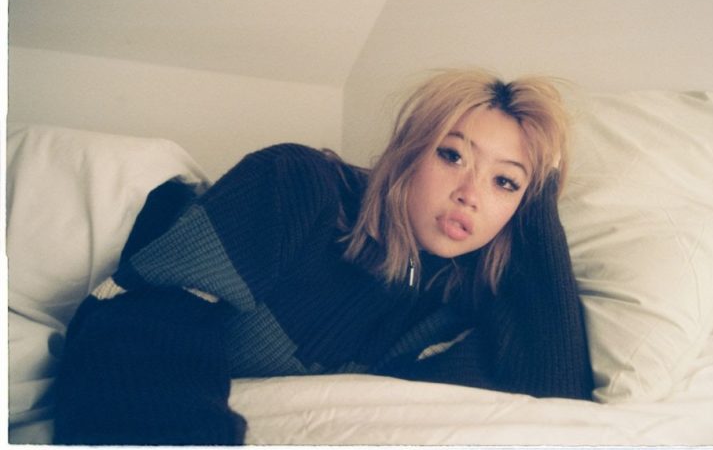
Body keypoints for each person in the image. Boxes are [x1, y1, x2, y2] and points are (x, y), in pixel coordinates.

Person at [53, 68, 594, 445]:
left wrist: (539, 203)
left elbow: (557, 403)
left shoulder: (450, 304)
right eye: (452, 155)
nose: (470, 194)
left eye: (505, 182)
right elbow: (147, 322)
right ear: (410, 151)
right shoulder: (298, 185)